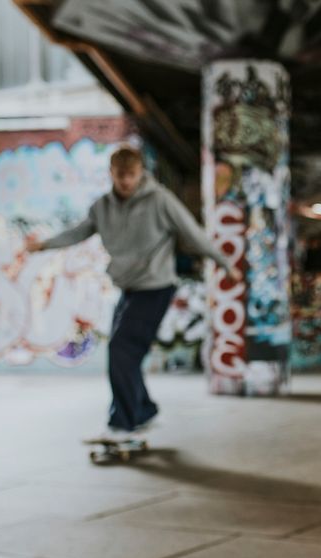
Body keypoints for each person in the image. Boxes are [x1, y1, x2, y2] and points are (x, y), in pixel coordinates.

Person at [26, 145, 240, 440]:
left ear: (141, 173)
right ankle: (143, 410)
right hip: (128, 289)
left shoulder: (160, 200)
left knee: (121, 350)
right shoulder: (102, 207)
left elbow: (192, 232)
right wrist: (44, 245)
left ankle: (123, 424)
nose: (126, 182)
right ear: (111, 174)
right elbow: (78, 232)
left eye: (131, 175)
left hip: (156, 287)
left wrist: (225, 263)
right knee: (125, 352)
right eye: (120, 176)